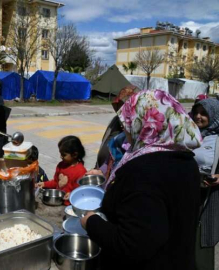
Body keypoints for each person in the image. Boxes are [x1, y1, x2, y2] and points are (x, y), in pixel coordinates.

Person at [81, 90, 202, 270]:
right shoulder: (186, 161)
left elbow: (131, 244)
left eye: (129, 122)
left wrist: (91, 222)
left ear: (146, 124)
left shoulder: (144, 171)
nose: (126, 129)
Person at [191, 98, 219, 270]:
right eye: (196, 112)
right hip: (187, 193)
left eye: (204, 113)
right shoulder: (189, 133)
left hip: (208, 197)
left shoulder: (217, 139)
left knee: (202, 242)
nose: (198, 117)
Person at [36, 136, 87, 205]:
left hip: (69, 204)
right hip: (57, 201)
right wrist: (44, 184)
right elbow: (56, 182)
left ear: (75, 154)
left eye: (63, 155)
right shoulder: (61, 165)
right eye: (60, 153)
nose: (61, 157)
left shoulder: (81, 172)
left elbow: (79, 192)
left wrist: (71, 194)